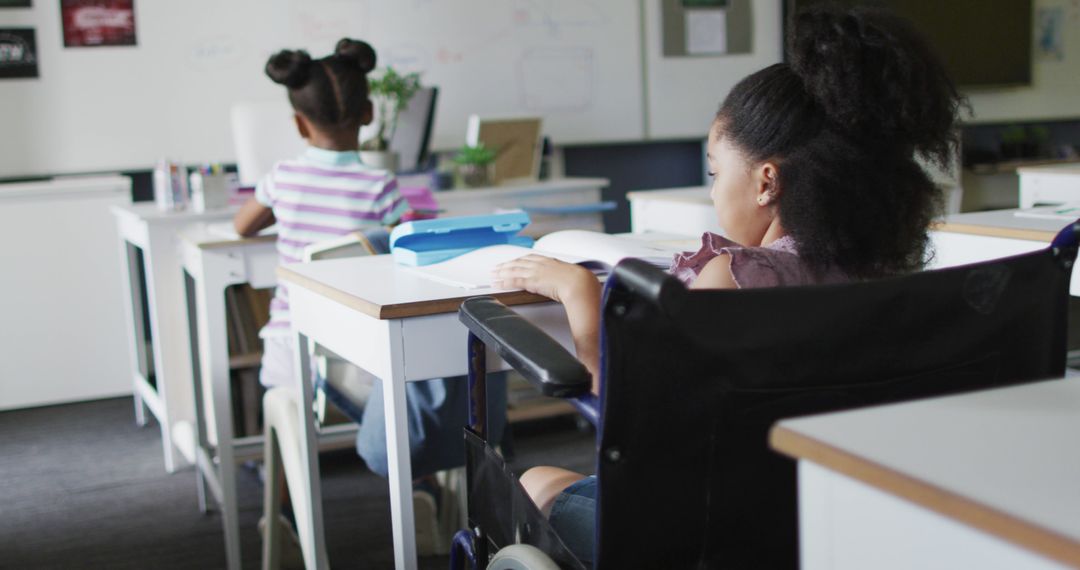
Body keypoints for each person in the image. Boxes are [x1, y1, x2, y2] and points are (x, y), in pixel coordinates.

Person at [491, 5, 965, 565]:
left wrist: (581, 297)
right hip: (833, 530)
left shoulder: (735, 281)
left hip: (703, 537)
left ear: (767, 181)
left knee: (535, 482)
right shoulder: (883, 275)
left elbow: (633, 427)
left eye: (716, 172)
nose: (713, 192)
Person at [234, 38, 506, 555]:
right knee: (397, 392)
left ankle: (288, 517)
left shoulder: (282, 179)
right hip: (362, 353)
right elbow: (404, 249)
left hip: (297, 348)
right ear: (367, 114)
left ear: (297, 123)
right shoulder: (380, 186)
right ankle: (420, 487)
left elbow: (242, 227)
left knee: (290, 412)